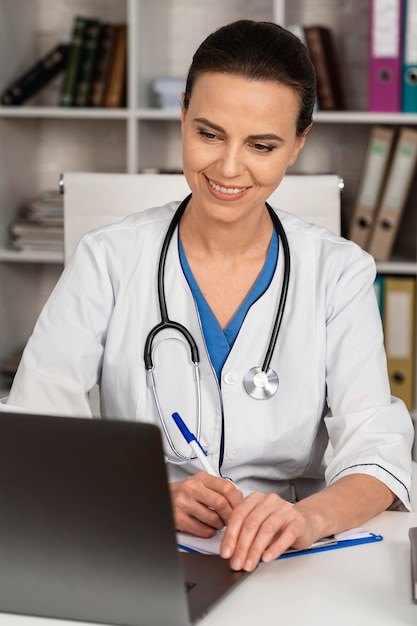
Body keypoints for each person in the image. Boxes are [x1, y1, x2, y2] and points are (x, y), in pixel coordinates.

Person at [3, 20, 414, 572]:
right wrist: (144, 501)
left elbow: (377, 450)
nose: (227, 167)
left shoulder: (339, 272)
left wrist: (309, 519)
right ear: (182, 117)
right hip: (141, 548)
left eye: (262, 145)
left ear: (298, 144)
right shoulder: (108, 258)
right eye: (209, 133)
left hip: (293, 562)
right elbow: (38, 433)